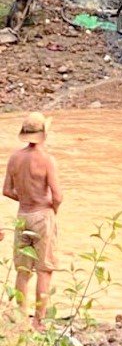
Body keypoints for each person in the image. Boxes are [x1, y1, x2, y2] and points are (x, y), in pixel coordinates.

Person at [2, 112, 63, 331]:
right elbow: (57, 196)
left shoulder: (15, 158)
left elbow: (7, 190)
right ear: (44, 134)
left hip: (23, 216)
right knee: (44, 270)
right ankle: (38, 321)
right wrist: (52, 210)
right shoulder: (47, 160)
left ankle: (20, 319)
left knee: (22, 270)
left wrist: (25, 198)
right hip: (42, 215)